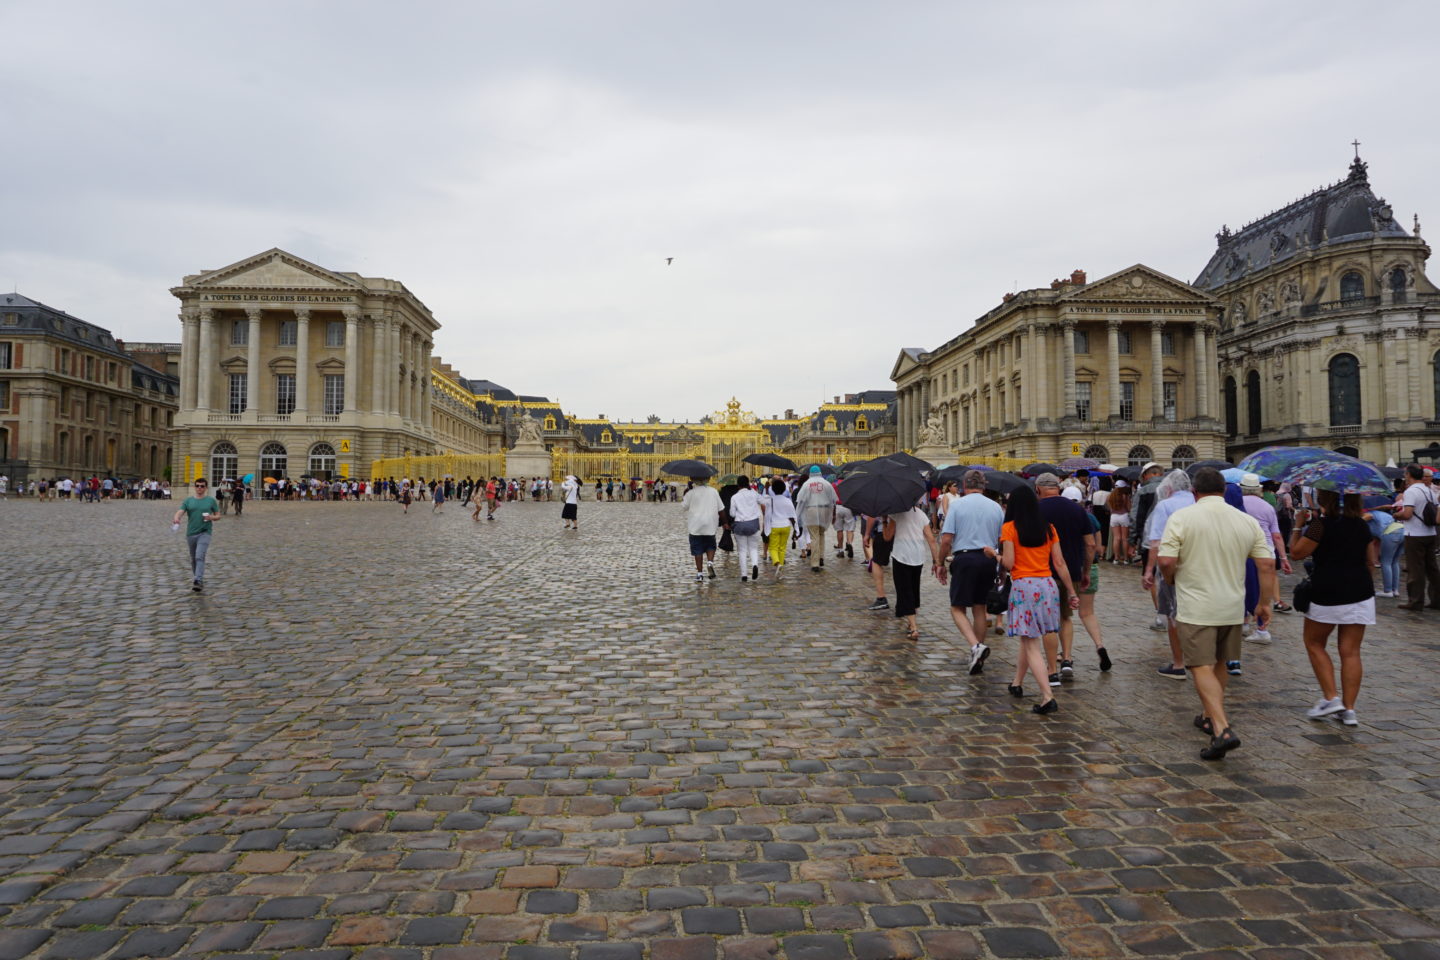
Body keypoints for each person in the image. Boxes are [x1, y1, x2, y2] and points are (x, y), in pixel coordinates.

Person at [1157, 467, 1277, 761]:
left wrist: (1171, 578)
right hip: (1232, 605)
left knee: (1199, 666)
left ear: (1195, 493)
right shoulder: (1246, 520)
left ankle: (1222, 728)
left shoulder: (1183, 517)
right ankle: (1209, 715)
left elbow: (1166, 559)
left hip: (1197, 605)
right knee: (1221, 662)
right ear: (1224, 491)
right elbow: (1266, 565)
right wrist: (1263, 603)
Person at [1290, 489, 1373, 726]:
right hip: (1360, 590)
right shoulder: (1361, 525)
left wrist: (1297, 525)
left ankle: (1331, 697)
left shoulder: (1320, 525)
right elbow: (1370, 561)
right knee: (1351, 651)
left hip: (1328, 589)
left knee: (1314, 643)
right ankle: (1349, 710)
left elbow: (1296, 553)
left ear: (1325, 499)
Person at [998, 484, 1078, 714]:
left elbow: (1009, 564)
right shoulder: (1049, 528)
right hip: (1048, 586)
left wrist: (994, 554)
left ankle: (1047, 696)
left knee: (1031, 643)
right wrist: (1071, 592)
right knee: (1028, 637)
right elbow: (1060, 563)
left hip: (1024, 588)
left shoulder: (1010, 529)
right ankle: (1017, 683)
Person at [936, 469, 1003, 673]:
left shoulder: (958, 505)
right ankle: (978, 657)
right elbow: (1002, 540)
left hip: (965, 558)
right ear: (984, 485)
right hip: (988, 558)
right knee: (979, 607)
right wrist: (1002, 568)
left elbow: (946, 539)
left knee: (957, 607)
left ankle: (975, 646)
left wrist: (939, 563)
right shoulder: (996, 508)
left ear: (965, 486)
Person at [1035, 473, 1094, 684]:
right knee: (1066, 617)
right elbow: (1090, 544)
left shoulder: (1036, 510)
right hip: (1072, 571)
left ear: (1039, 489)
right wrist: (1086, 571)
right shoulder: (1077, 509)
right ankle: (1067, 658)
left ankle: (1051, 666)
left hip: (1043, 572)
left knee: (1047, 620)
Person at [1142, 470, 1196, 679]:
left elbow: (1156, 541)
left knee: (1174, 614)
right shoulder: (1198, 501)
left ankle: (1179, 663)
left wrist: (1149, 570)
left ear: (1169, 487)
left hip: (1172, 566)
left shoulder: (1165, 505)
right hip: (1198, 565)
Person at [887, 501, 942, 640]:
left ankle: (913, 627)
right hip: (918, 556)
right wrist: (936, 561)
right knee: (913, 587)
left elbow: (887, 536)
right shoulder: (922, 514)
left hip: (901, 555)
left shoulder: (896, 514)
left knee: (904, 589)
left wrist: (883, 521)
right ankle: (903, 611)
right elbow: (931, 539)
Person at [1394, 464, 1440, 610]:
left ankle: (1415, 601)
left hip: (1414, 533)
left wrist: (1396, 514)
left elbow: (1407, 514)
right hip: (1430, 532)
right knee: (1432, 568)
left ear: (1409, 475)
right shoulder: (1429, 490)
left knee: (1415, 569)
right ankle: (1437, 599)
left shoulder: (1411, 492)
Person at [172, 478, 220, 593]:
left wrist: (211, 517)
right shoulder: (188, 501)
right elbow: (180, 511)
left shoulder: (211, 501)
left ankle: (198, 580)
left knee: (199, 556)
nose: (200, 488)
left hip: (205, 532)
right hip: (191, 533)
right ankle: (198, 578)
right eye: (197, 486)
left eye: (202, 486)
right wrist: (176, 518)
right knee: (193, 558)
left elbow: (218, 515)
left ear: (206, 488)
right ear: (195, 487)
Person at [795, 466, 838, 573]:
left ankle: (815, 562)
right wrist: (833, 514)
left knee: (814, 536)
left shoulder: (806, 484)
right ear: (820, 473)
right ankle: (821, 557)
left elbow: (801, 501)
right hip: (825, 510)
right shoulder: (827, 484)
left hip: (811, 510)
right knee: (821, 534)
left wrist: (797, 515)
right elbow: (834, 500)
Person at [682, 475, 723, 582]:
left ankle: (699, 574)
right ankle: (710, 562)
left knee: (697, 550)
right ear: (708, 479)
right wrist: (725, 522)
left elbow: (684, 507)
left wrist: (685, 495)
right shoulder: (713, 491)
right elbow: (721, 508)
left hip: (696, 526)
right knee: (710, 546)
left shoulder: (691, 493)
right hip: (710, 524)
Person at [1366, 500, 1405, 598]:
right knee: (1395, 562)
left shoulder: (1369, 514)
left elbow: (1368, 517)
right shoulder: (1379, 513)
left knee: (1386, 562)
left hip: (1391, 533)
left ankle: (1388, 591)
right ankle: (1395, 590)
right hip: (1402, 531)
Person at [728, 477, 764, 582]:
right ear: (748, 483)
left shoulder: (734, 497)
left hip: (740, 525)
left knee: (742, 550)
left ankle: (744, 575)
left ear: (738, 485)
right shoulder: (753, 493)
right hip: (753, 524)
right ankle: (754, 565)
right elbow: (763, 501)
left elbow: (732, 514)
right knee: (753, 548)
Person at [761, 477, 797, 580]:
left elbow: (766, 515)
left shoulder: (770, 500)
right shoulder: (787, 500)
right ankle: (780, 569)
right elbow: (792, 515)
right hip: (786, 526)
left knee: (773, 547)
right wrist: (796, 529)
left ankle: (777, 564)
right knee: (782, 548)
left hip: (774, 526)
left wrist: (766, 528)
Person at [1106, 481, 1131, 564]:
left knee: (1116, 538)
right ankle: (1126, 559)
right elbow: (1128, 508)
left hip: (1113, 517)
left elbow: (1109, 508)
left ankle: (1116, 558)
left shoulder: (1110, 496)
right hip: (1124, 516)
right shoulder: (1125, 496)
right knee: (1124, 538)